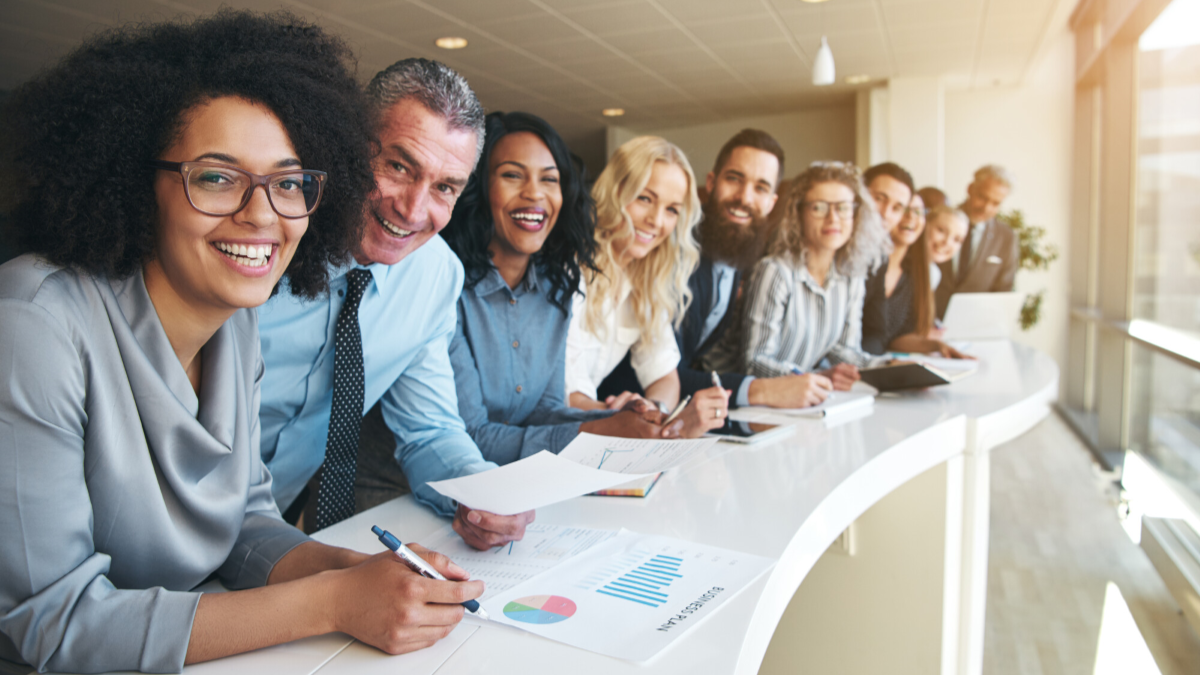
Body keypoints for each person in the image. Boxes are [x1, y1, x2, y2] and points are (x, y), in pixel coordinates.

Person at [0, 13, 482, 673]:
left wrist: (363, 572)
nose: (261, 215)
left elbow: (244, 522)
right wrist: (333, 600)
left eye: (287, 183)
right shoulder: (32, 321)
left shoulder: (232, 319)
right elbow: (52, 626)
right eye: (217, 177)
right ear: (140, 179)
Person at [256, 58, 532, 550]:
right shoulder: (263, 239)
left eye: (445, 187)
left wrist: (480, 491)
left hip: (265, 534)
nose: (413, 209)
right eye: (399, 166)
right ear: (349, 145)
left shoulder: (435, 275)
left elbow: (429, 431)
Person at [441, 111, 668, 465]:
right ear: (480, 187)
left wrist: (623, 420)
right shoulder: (447, 289)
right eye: (512, 175)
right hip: (410, 494)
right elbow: (471, 435)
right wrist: (595, 432)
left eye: (549, 179)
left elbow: (543, 410)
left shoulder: (556, 289)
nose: (534, 194)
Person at [601, 129, 835, 409]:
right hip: (611, 406)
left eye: (760, 188)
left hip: (659, 409)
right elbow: (662, 370)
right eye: (734, 179)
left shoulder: (737, 252)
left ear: (772, 202)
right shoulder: (666, 250)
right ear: (711, 182)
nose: (744, 197)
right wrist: (761, 390)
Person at [565, 136, 727, 436]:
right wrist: (629, 414)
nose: (656, 220)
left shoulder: (645, 281)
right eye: (645, 198)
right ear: (616, 191)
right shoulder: (567, 270)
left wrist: (655, 409)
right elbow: (562, 396)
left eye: (672, 209)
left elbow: (666, 379)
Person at [711, 162, 890, 390]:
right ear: (799, 213)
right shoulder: (775, 271)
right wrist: (813, 377)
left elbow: (843, 351)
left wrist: (888, 365)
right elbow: (754, 363)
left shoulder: (852, 275)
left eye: (843, 208)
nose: (833, 218)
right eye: (819, 207)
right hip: (742, 400)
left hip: (801, 399)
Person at [934, 164, 1018, 317]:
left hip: (975, 325)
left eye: (995, 203)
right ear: (970, 189)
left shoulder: (1006, 237)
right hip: (928, 321)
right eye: (982, 197)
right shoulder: (938, 221)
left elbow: (1003, 291)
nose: (986, 208)